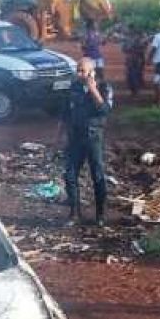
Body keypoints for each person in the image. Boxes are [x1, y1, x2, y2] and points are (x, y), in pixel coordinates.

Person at [60, 57, 113, 227]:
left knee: (97, 175)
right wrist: (59, 137)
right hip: (75, 137)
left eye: (83, 70)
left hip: (93, 137)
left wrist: (93, 90)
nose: (79, 73)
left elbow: (104, 110)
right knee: (70, 175)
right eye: (78, 70)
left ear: (92, 71)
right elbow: (66, 114)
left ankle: (100, 215)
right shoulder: (73, 88)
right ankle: (74, 213)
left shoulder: (104, 87)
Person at [121, 27, 147, 95]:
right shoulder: (140, 40)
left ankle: (135, 89)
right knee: (134, 74)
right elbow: (143, 49)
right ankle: (135, 89)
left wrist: (130, 49)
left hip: (133, 59)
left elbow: (124, 49)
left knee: (132, 74)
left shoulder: (129, 40)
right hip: (136, 59)